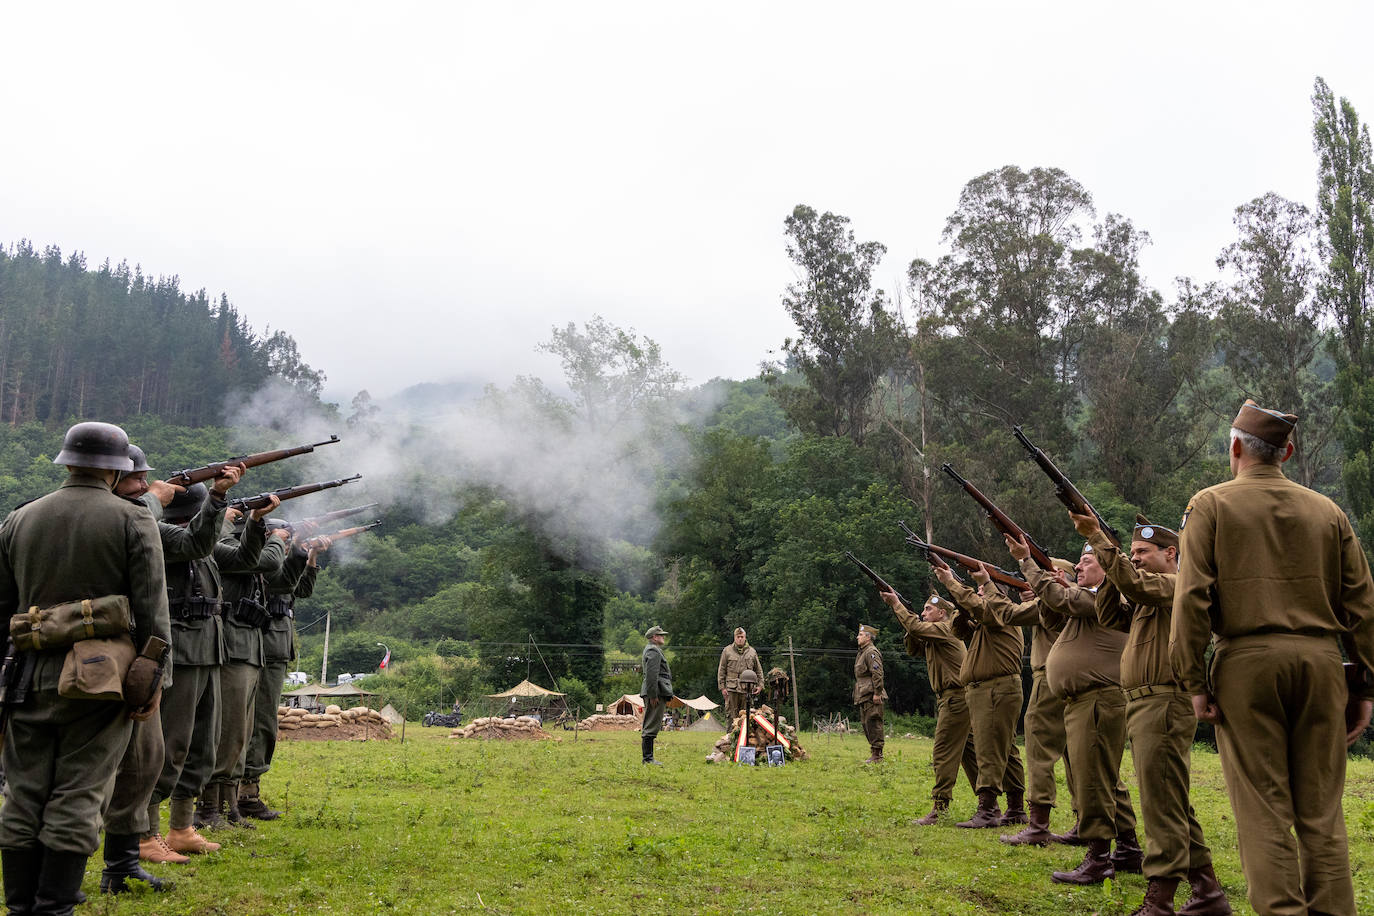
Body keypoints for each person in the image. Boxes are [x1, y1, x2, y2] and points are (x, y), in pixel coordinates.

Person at [1172, 399, 1374, 916]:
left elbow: (1192, 599)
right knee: (1322, 815)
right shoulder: (1328, 511)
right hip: (1322, 663)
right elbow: (1362, 608)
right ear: (1286, 451)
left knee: (1264, 812)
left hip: (1247, 663)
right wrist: (1366, 686)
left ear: (1236, 447)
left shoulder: (1211, 505)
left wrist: (1194, 683)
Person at [0, 422, 170, 916]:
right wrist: (153, 679)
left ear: (67, 461)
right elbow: (154, 614)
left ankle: (19, 907)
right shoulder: (132, 520)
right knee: (81, 789)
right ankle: (55, 907)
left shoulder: (18, 519)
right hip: (101, 680)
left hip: (26, 676)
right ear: (117, 470)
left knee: (24, 792)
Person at [1083, 511, 1230, 916]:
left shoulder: (1177, 584)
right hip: (1145, 702)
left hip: (1164, 700)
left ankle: (1160, 900)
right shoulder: (1149, 589)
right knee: (1171, 801)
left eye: (1143, 551)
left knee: (1161, 803)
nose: (1135, 558)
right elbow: (1109, 615)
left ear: (1171, 553)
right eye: (1131, 551)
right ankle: (1208, 893)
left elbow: (1135, 584)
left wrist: (1101, 542)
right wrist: (1115, 569)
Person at [147, 472, 265, 858]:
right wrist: (217, 498)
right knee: (169, 745)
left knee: (201, 746)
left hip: (209, 649)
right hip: (179, 650)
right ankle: (147, 833)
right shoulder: (161, 534)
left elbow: (247, 559)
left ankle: (181, 827)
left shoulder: (202, 538)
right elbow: (194, 541)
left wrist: (255, 523)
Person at [1011, 536, 1141, 881]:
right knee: (1103, 778)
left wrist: (1028, 562)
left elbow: (1064, 600)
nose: (1079, 566)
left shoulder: (1106, 598)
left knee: (1094, 782)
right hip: (1086, 701)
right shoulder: (1085, 600)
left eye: (1087, 562)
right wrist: (1049, 589)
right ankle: (1128, 848)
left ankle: (1098, 859)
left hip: (1098, 699)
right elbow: (1054, 617)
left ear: (1107, 569)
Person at [240, 525, 330, 821]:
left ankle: (246, 789)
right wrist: (296, 551)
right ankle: (243, 792)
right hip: (262, 640)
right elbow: (278, 581)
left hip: (277, 642)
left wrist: (312, 556)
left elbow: (302, 589)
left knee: (264, 722)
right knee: (257, 720)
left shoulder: (282, 560)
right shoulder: (264, 560)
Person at [205, 503, 286, 827]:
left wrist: (303, 555)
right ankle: (210, 807)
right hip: (233, 648)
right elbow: (263, 561)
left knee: (241, 733)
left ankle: (229, 805)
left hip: (249, 648)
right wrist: (274, 537)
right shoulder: (224, 548)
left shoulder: (237, 549)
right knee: (227, 734)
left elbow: (285, 582)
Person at [991, 536, 1072, 846]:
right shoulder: (1072, 601)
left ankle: (1039, 824)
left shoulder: (1053, 602)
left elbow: (1009, 614)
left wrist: (988, 586)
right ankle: (1083, 821)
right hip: (1069, 682)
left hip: (1049, 679)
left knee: (1039, 748)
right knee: (1075, 756)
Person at [934, 565, 1027, 828]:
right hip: (989, 689)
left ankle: (988, 810)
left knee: (988, 749)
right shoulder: (989, 618)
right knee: (1005, 750)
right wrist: (961, 607)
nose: (979, 593)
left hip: (996, 688)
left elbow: (983, 609)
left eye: (983, 589)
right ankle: (1015, 808)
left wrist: (951, 583)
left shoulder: (1000, 612)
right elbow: (959, 630)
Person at [878, 591, 978, 824]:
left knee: (943, 751)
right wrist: (911, 623)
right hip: (956, 698)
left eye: (928, 610)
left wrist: (897, 604)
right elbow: (913, 648)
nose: (923, 614)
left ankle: (940, 807)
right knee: (969, 753)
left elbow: (917, 629)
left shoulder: (946, 629)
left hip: (955, 698)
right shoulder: (935, 634)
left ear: (942, 613)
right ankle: (988, 804)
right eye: (922, 610)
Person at [853, 624, 886, 763]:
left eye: (860, 635)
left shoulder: (871, 652)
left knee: (873, 721)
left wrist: (877, 692)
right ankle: (874, 752)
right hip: (863, 692)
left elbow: (877, 673)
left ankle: (877, 755)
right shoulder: (863, 652)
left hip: (871, 692)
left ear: (868, 637)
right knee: (866, 723)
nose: (857, 637)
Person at [639, 626, 673, 765]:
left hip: (656, 690)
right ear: (654, 637)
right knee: (651, 723)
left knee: (652, 723)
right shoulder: (653, 650)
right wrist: (653, 695)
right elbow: (652, 675)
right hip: (656, 691)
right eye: (661, 635)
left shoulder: (653, 650)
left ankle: (648, 758)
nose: (663, 637)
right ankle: (648, 759)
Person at [717, 627, 764, 725]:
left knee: (746, 715)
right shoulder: (727, 651)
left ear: (745, 637)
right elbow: (721, 670)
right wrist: (722, 687)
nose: (740, 639)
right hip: (731, 688)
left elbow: (758, 670)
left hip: (747, 688)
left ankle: (745, 738)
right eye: (738, 637)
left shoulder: (752, 652)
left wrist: (760, 685)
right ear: (734, 637)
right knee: (731, 714)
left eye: (742, 637)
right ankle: (730, 738)